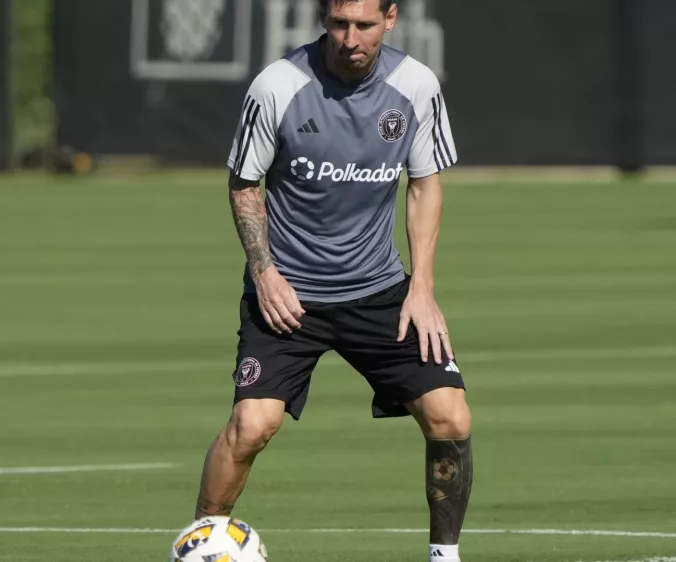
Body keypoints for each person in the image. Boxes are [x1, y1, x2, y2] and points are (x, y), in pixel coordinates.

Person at [191, 1, 473, 561]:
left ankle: (445, 557)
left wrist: (423, 289)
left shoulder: (416, 85)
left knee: (451, 416)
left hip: (380, 291)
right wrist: (265, 274)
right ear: (324, 19)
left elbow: (424, 185)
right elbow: (245, 185)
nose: (350, 38)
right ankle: (202, 542)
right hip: (289, 297)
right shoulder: (277, 86)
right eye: (339, 24)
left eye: (364, 25)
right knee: (252, 425)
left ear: (391, 19)